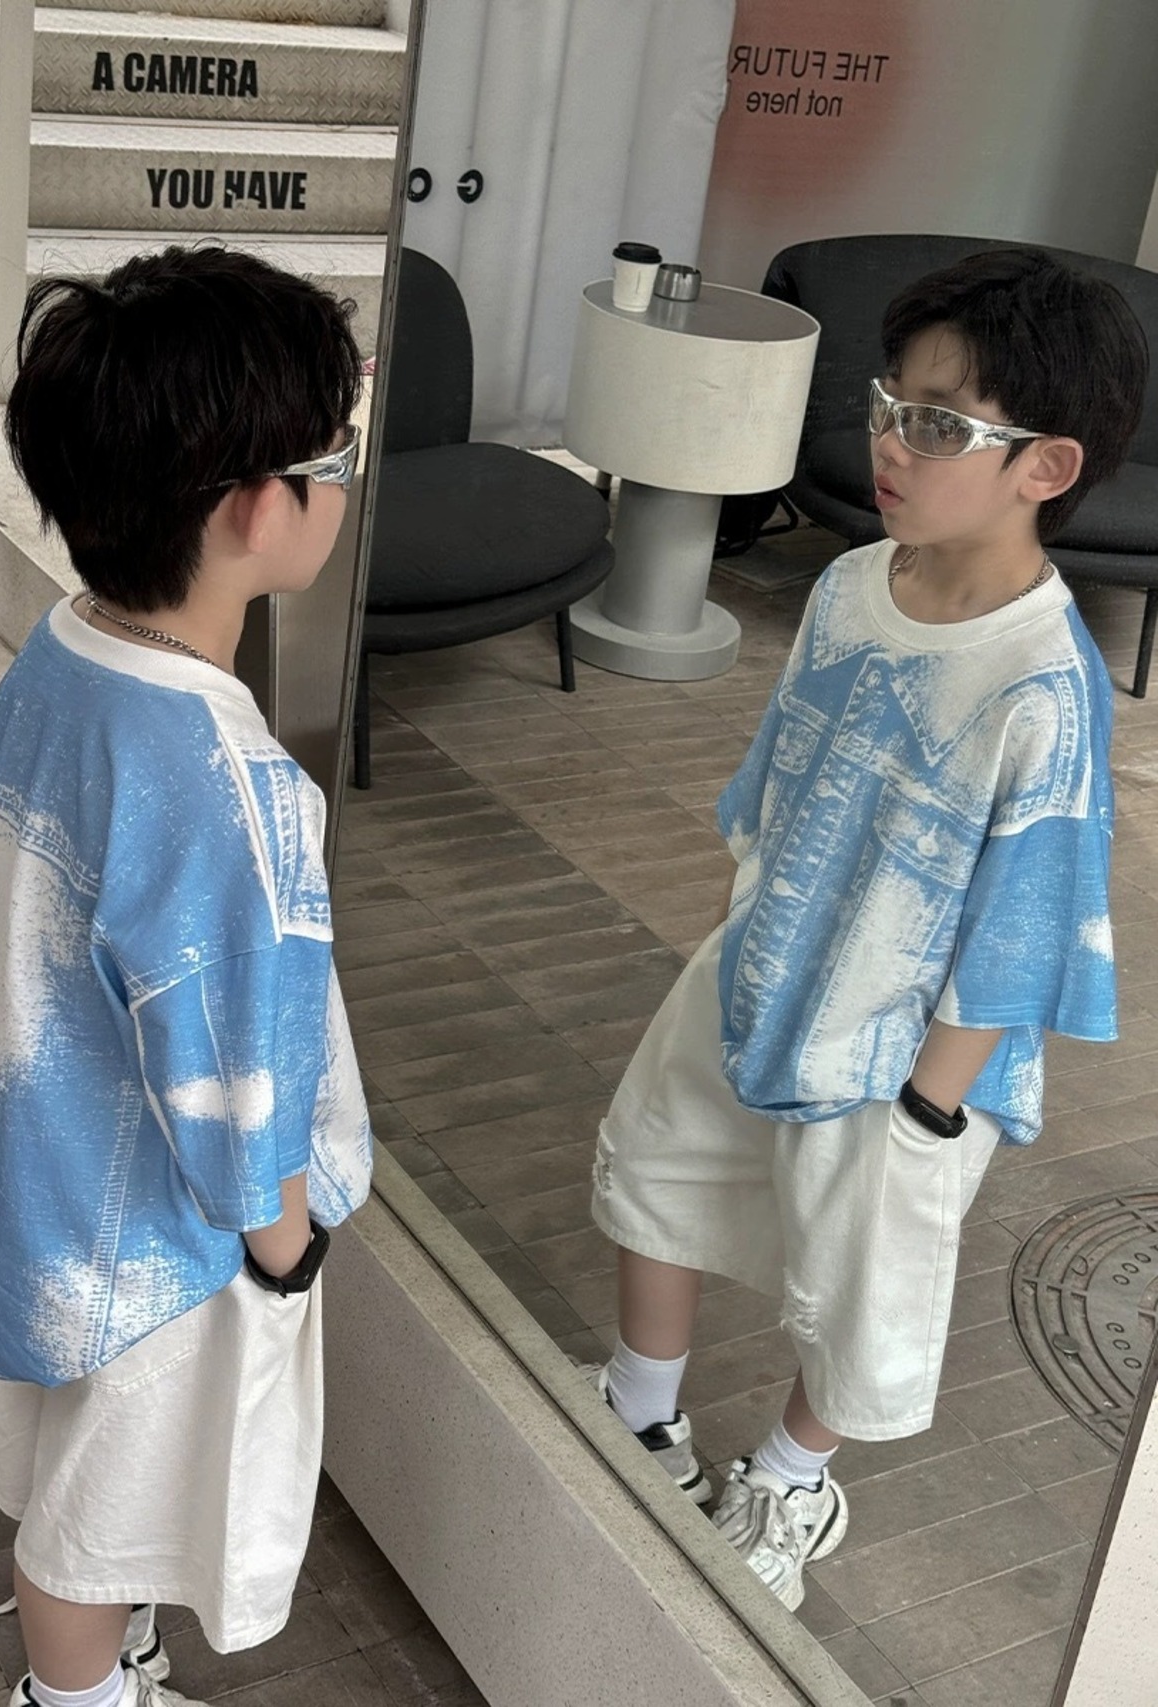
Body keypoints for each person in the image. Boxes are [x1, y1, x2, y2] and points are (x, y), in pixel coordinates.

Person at [587, 247, 1148, 1610]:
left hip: (903, 1060)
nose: (893, 443)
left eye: (942, 425)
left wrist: (926, 1113)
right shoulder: (849, 586)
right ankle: (642, 1416)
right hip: (763, 968)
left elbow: (1025, 931)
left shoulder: (1044, 687)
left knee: (855, 1285)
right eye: (891, 404)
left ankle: (793, 1476)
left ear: (1046, 467)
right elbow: (783, 777)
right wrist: (749, 921)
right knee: (659, 1166)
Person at [0, 245, 373, 1707]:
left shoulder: (61, 657)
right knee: (98, 1519)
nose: (346, 481)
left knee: (72, 1453)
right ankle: (75, 1696)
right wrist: (286, 1252)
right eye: (335, 456)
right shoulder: (235, 787)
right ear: (254, 508)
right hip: (155, 1246)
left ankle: (108, 1665)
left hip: (24, 1167)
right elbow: (242, 1086)